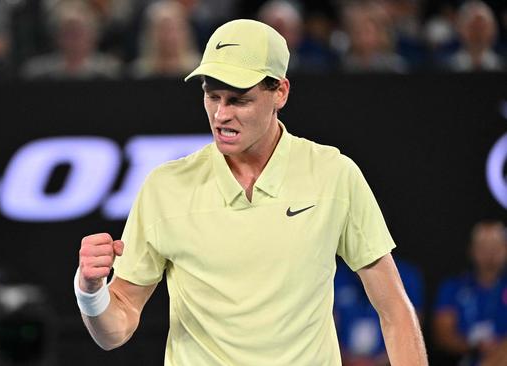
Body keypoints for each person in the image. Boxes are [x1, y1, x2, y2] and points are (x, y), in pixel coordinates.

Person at [74, 19, 427, 365]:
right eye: (212, 97)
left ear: (280, 93)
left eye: (239, 100)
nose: (221, 115)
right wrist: (90, 291)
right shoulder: (164, 188)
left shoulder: (334, 174)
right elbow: (116, 330)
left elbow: (394, 310)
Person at [433, 220, 507, 366]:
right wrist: (474, 347)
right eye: (484, 247)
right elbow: (442, 335)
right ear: (472, 249)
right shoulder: (453, 287)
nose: (490, 254)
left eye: (496, 247)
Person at [334, 257, 425, 365]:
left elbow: (412, 329)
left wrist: (380, 361)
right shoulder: (336, 277)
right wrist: (348, 359)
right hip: (342, 361)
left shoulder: (405, 277)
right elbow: (327, 326)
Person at [445, 0, 503, 72]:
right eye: (472, 27)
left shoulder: (502, 66)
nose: (477, 32)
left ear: (493, 29)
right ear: (460, 29)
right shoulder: (444, 68)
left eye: (482, 27)